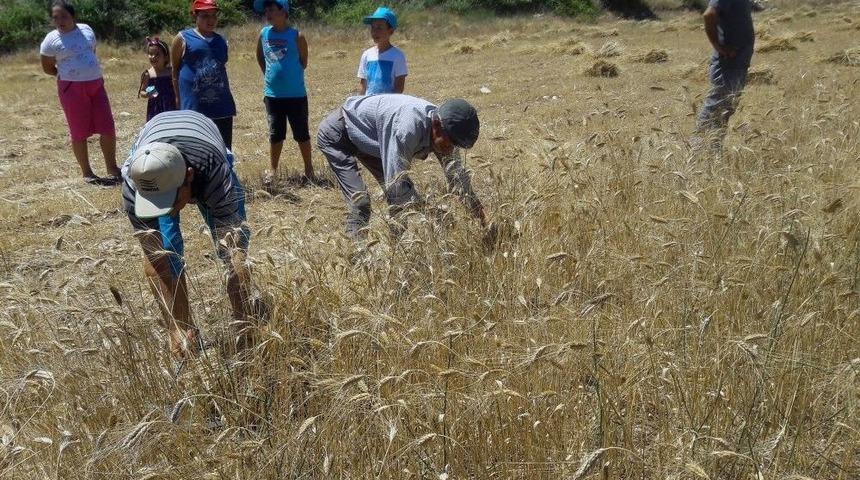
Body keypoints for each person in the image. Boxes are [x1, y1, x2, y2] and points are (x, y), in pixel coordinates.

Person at [121, 110, 253, 358]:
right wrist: (176, 327)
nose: (166, 210)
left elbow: (234, 252)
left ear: (189, 177)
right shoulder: (133, 183)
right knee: (167, 253)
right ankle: (184, 329)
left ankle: (245, 320)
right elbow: (154, 260)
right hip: (157, 141)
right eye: (156, 203)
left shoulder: (215, 173)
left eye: (170, 200)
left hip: (202, 136)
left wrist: (244, 326)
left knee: (236, 246)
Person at [317, 94, 489, 238]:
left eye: (456, 145)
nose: (451, 149)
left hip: (372, 139)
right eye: (450, 142)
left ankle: (396, 252)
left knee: (399, 203)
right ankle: (357, 261)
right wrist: (428, 210)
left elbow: (458, 178)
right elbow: (396, 186)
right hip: (339, 134)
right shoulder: (407, 129)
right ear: (436, 125)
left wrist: (482, 216)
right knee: (361, 202)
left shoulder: (447, 131)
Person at [39, 0, 121, 186]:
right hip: (71, 89)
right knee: (79, 131)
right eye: (55, 17)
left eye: (64, 16)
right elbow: (47, 66)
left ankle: (112, 167)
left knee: (107, 127)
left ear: (73, 16)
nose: (60, 21)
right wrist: (69, 76)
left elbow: (91, 51)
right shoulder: (51, 40)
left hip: (96, 85)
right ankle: (88, 172)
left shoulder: (86, 30)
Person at [254, 0, 314, 182]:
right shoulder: (264, 34)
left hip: (296, 95)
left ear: (284, 11)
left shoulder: (297, 36)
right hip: (273, 95)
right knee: (275, 134)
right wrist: (270, 75)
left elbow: (304, 61)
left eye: (272, 10)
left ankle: (309, 169)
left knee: (302, 133)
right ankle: (273, 170)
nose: (267, 14)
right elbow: (260, 56)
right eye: (266, 11)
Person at [171, 0, 237, 149]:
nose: (211, 20)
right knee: (195, 149)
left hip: (221, 106)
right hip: (194, 106)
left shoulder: (221, 41)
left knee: (223, 149)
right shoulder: (183, 38)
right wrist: (177, 97)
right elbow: (174, 70)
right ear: (195, 16)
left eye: (214, 16)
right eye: (205, 15)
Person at [696, 0, 755, 150]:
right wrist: (719, 47)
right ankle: (697, 153)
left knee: (725, 110)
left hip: (738, 63)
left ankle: (713, 152)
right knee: (715, 109)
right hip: (727, 64)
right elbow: (709, 15)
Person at [357, 7, 408, 95]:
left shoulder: (398, 56)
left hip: (387, 105)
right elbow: (363, 85)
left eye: (379, 28)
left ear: (391, 31)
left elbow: (399, 87)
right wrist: (360, 102)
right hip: (369, 104)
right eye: (373, 27)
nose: (375, 32)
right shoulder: (367, 55)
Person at [138, 37, 177, 122]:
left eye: (157, 54)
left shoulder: (171, 72)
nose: (153, 57)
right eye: (150, 54)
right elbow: (142, 91)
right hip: (155, 108)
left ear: (166, 57)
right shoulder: (148, 74)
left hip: (171, 106)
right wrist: (148, 94)